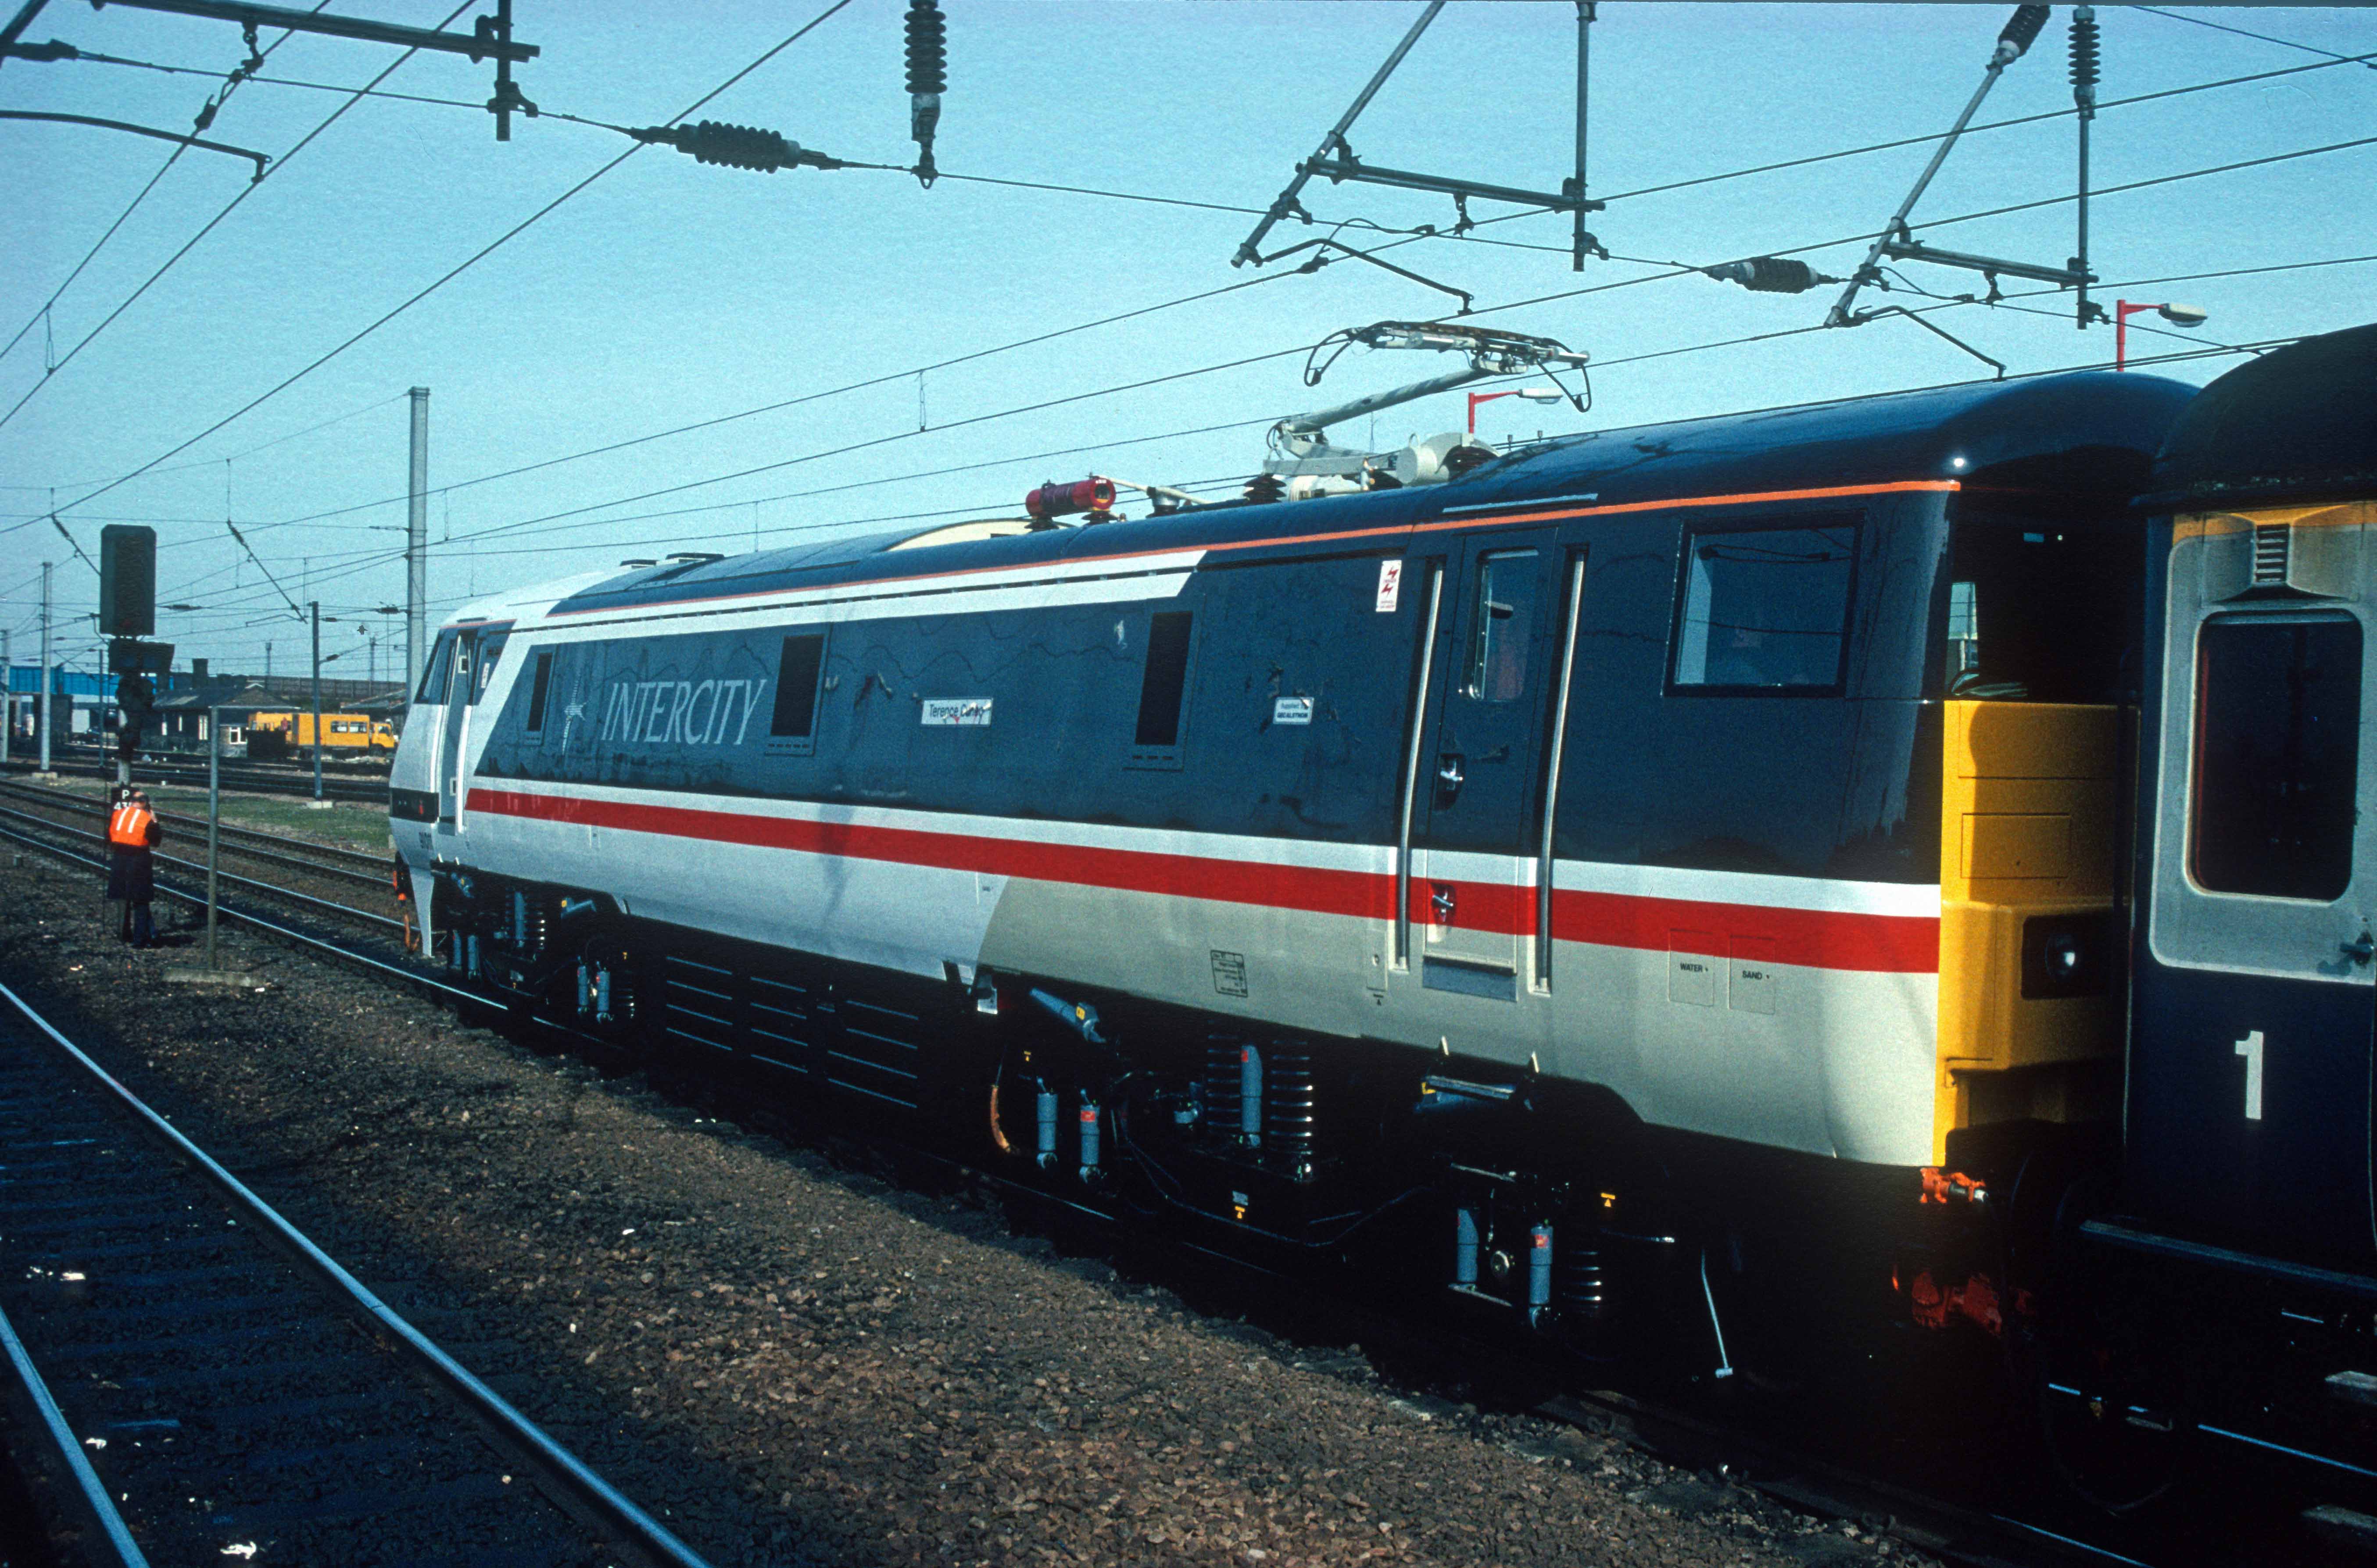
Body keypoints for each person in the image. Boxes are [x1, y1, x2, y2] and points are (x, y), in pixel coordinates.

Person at [106, 789, 162, 947]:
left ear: (131, 801)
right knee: (141, 901)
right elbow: (156, 841)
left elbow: (109, 837)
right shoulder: (147, 819)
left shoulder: (118, 814)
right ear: (145, 803)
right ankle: (140, 941)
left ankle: (124, 934)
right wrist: (155, 822)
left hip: (119, 859)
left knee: (123, 897)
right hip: (139, 860)